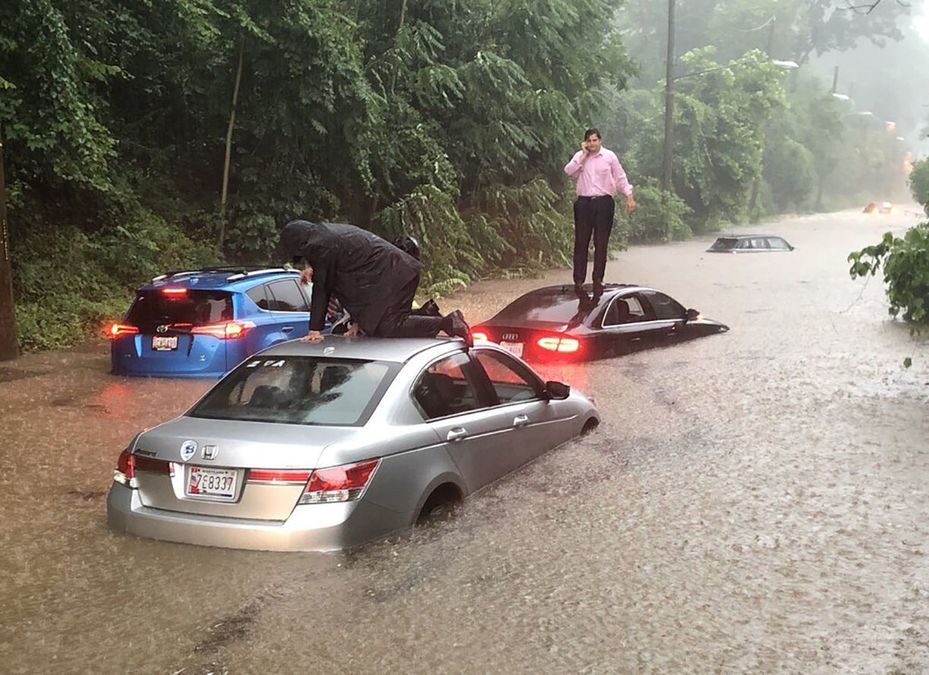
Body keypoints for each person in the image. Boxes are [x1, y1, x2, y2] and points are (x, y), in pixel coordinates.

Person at [279, 220, 471, 343]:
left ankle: (447, 323)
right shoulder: (326, 237)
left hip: (393, 273)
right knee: (381, 325)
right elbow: (349, 286)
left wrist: (314, 330)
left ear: (299, 244)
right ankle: (428, 314)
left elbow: (323, 287)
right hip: (395, 271)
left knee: (389, 326)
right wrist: (358, 322)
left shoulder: (320, 246)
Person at [563, 128, 636, 296]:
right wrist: (582, 156)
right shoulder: (580, 157)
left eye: (594, 140)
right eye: (589, 141)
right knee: (581, 242)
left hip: (604, 202)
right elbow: (568, 171)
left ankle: (598, 279)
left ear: (600, 141)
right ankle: (579, 280)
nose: (592, 144)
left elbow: (620, 177)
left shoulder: (609, 157)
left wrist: (629, 196)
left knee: (601, 242)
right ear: (585, 142)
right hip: (584, 203)